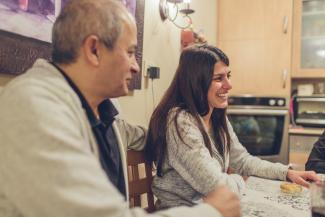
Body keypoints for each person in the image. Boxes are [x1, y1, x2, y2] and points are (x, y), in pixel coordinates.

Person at [0, 1, 241, 217]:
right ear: (94, 50)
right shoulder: (34, 106)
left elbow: (143, 136)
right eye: (130, 53)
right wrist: (211, 211)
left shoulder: (104, 110)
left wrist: (180, 136)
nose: (136, 66)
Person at [144, 44, 320, 209]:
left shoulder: (216, 117)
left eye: (228, 76)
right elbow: (217, 187)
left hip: (213, 210)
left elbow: (242, 160)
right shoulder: (179, 121)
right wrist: (239, 179)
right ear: (197, 82)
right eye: (219, 78)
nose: (229, 85)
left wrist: (286, 173)